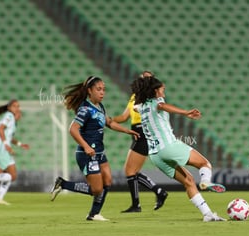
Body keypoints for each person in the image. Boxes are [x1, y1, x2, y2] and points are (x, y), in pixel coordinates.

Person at [132, 76, 226, 222]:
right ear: (156, 91)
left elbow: (135, 106)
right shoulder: (157, 101)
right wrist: (185, 112)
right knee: (205, 164)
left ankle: (207, 214)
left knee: (188, 181)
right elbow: (162, 106)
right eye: (162, 88)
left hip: (156, 155)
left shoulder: (141, 107)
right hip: (169, 146)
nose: (164, 91)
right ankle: (206, 181)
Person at [50, 76, 139, 221]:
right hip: (87, 153)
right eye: (99, 89)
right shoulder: (85, 109)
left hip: (99, 152)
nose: (102, 92)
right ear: (89, 91)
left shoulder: (100, 107)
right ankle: (63, 184)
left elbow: (109, 122)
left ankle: (94, 214)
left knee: (108, 181)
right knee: (96, 189)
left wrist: (127, 130)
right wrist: (85, 146)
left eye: (103, 89)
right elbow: (73, 129)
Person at [113, 71, 168, 213]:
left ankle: (152, 195)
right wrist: (109, 120)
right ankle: (150, 196)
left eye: (148, 77)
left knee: (130, 171)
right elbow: (125, 116)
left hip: (143, 133)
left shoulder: (150, 98)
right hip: (137, 133)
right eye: (143, 77)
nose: (144, 79)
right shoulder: (134, 97)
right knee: (131, 171)